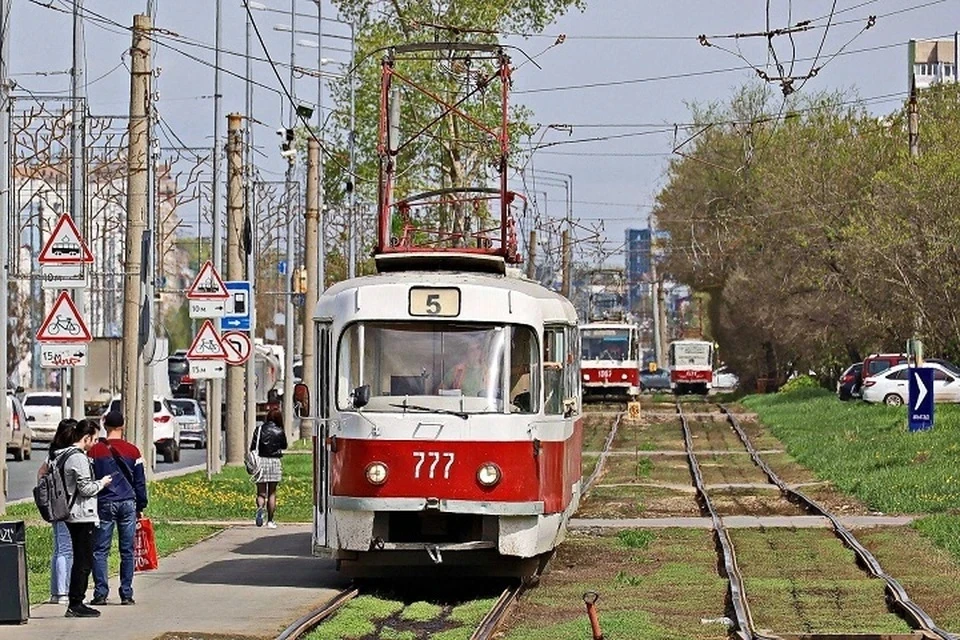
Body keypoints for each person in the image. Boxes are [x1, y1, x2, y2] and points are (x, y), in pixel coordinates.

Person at [88, 410, 148, 606]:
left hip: (104, 503)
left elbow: (90, 478)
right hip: (128, 503)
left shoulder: (95, 451)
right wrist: (141, 505)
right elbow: (140, 482)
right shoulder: (133, 451)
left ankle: (100, 593)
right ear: (123, 426)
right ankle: (127, 593)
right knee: (127, 550)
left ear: (105, 425)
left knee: (100, 550)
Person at [57, 419, 113, 618]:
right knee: (84, 560)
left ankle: (76, 601)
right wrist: (102, 483)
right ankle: (76, 603)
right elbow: (85, 488)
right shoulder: (78, 458)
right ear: (86, 437)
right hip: (81, 515)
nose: (96, 442)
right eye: (95, 438)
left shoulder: (64, 454)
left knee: (83, 558)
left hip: (75, 513)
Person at [36, 418, 78, 605]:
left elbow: (41, 474)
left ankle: (56, 591)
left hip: (55, 504)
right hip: (66, 506)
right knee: (66, 549)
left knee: (59, 548)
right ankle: (62, 591)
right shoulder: (68, 455)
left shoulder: (52, 454)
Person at [252, 409, 287, 528]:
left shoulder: (259, 429)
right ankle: (270, 521)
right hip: (274, 462)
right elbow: (284, 445)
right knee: (272, 492)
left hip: (261, 462)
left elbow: (253, 446)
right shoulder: (279, 431)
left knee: (261, 492)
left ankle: (260, 509)